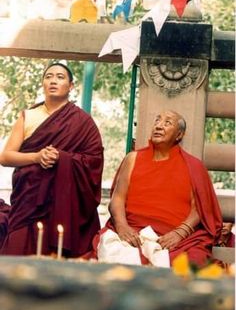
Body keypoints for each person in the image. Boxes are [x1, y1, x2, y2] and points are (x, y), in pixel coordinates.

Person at [84, 110, 222, 267]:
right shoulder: (133, 159)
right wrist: (122, 226)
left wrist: (180, 233)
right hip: (133, 231)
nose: (159, 126)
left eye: (167, 123)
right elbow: (117, 198)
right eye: (157, 121)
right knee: (114, 254)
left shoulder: (194, 166)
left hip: (174, 236)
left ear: (179, 135)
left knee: (191, 262)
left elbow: (199, 208)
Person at [0, 62, 104, 257]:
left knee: (56, 258)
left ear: (71, 86)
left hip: (63, 201)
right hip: (28, 200)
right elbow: (5, 157)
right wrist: (37, 157)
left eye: (60, 77)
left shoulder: (82, 122)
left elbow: (94, 161)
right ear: (43, 83)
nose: (53, 81)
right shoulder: (27, 116)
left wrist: (63, 158)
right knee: (16, 254)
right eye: (48, 77)